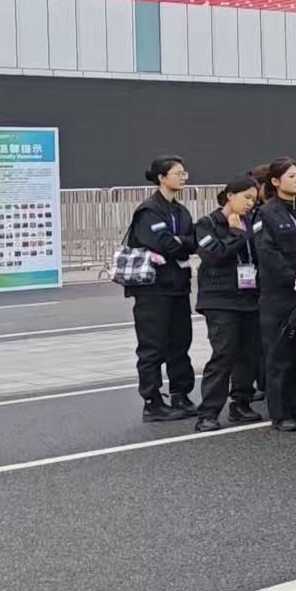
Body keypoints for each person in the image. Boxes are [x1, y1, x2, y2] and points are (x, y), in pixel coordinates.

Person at [125, 155, 199, 422]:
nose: (183, 177)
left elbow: (193, 241)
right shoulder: (149, 210)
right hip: (153, 289)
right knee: (152, 345)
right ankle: (152, 401)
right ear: (161, 178)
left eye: (184, 173)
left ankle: (180, 393)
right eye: (178, 173)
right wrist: (180, 242)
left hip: (178, 286)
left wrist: (180, 242)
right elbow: (162, 243)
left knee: (180, 341)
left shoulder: (181, 210)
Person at [255, 158, 296, 432]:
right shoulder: (266, 213)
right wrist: (292, 277)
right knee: (279, 353)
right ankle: (281, 413)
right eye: (291, 176)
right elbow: (267, 252)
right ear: (275, 181)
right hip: (280, 294)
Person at [192, 176, 262, 431]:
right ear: (230, 195)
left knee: (249, 353)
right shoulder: (207, 223)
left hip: (250, 295)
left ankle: (241, 402)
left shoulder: (252, 222)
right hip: (220, 298)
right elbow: (214, 255)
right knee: (224, 353)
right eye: (246, 197)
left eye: (254, 199)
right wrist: (235, 234)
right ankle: (208, 413)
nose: (250, 203)